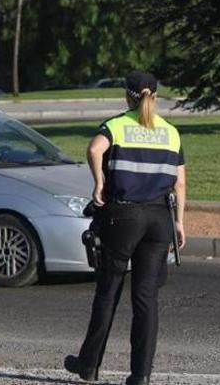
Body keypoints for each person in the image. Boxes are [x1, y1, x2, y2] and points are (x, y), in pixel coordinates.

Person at [64, 71, 186, 385]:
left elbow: (94, 150)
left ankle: (89, 365)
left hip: (123, 218)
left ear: (127, 96)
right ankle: (141, 375)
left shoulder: (118, 125)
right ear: (154, 97)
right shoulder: (171, 132)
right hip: (159, 220)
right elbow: (181, 182)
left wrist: (99, 184)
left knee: (108, 293)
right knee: (146, 299)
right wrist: (180, 222)